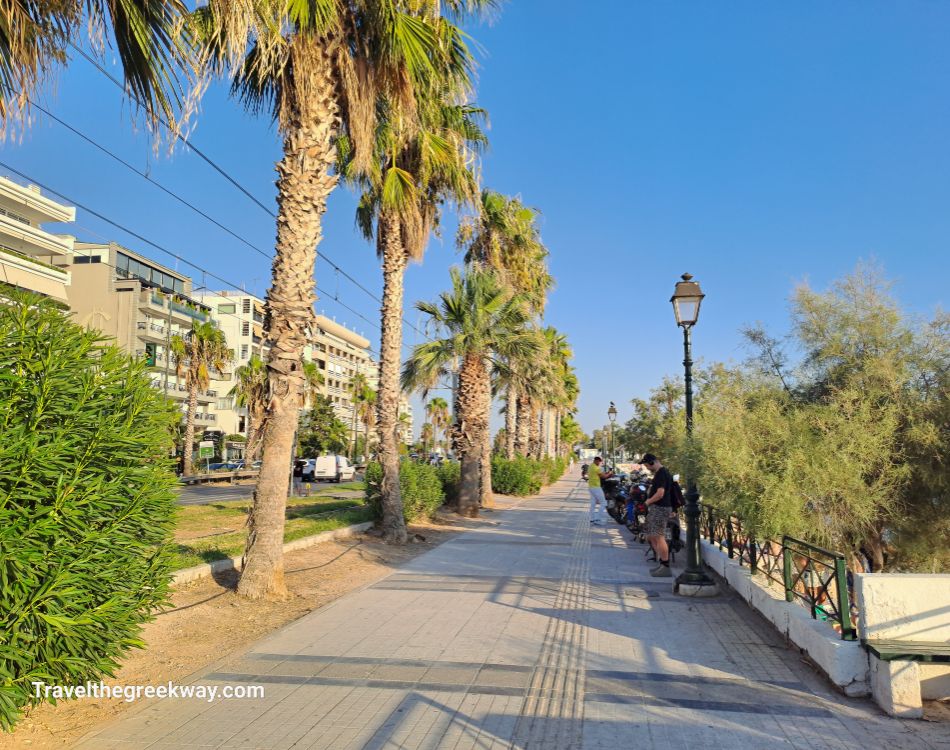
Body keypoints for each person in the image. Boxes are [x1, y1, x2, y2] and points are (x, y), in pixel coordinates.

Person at [642, 453, 673, 577]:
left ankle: (665, 566)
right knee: (652, 536)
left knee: (659, 537)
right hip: (657, 508)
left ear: (651, 462)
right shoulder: (661, 473)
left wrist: (648, 502)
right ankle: (661, 564)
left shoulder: (661, 473)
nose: (647, 468)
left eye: (647, 466)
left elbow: (660, 493)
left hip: (660, 508)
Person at [587, 456, 613, 526]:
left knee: (593, 504)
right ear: (595, 460)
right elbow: (604, 476)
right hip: (596, 487)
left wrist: (606, 473)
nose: (599, 463)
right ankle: (598, 519)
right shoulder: (596, 468)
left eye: (600, 462)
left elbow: (601, 474)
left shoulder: (591, 466)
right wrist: (610, 473)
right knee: (604, 503)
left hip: (591, 486)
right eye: (599, 461)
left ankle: (592, 519)